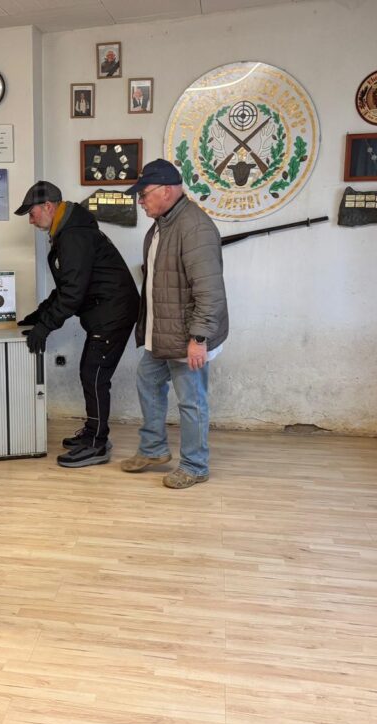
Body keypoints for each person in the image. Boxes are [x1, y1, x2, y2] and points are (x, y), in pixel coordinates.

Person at [14, 181, 139, 468]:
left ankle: (97, 444)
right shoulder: (68, 231)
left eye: (32, 213)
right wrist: (39, 315)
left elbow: (72, 294)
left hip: (112, 313)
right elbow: (68, 285)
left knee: (93, 374)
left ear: (48, 206)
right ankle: (94, 432)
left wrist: (45, 327)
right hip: (107, 310)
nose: (31, 220)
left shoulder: (73, 236)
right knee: (91, 373)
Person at [121, 158, 229, 489]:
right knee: (147, 380)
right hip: (163, 333)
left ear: (167, 191)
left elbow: (209, 290)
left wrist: (199, 338)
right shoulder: (162, 224)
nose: (140, 200)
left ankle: (195, 465)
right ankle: (153, 448)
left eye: (144, 194)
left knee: (191, 400)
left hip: (188, 336)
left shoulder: (194, 228)